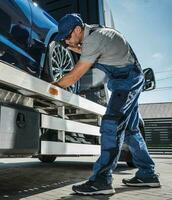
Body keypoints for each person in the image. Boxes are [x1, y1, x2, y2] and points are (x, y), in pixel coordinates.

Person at [52, 13, 161, 195]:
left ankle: (102, 181)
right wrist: (72, 45)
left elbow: (73, 76)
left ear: (78, 30)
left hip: (126, 81)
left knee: (111, 124)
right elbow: (89, 52)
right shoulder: (95, 35)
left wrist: (51, 86)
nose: (66, 41)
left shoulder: (95, 39)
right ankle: (148, 174)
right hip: (129, 79)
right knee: (131, 130)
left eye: (67, 37)